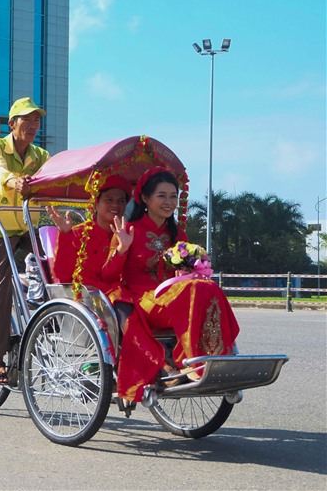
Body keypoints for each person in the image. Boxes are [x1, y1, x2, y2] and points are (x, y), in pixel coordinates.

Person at [102, 168, 240, 402]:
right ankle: (191, 361)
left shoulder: (177, 234)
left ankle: (215, 358)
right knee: (195, 291)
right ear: (145, 198)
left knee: (208, 287)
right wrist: (121, 249)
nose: (169, 202)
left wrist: (193, 268)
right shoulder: (128, 230)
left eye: (173, 196)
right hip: (142, 295)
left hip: (172, 290)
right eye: (162, 196)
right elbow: (108, 275)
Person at [0, 97, 51, 385]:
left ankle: (48, 323)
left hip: (26, 226)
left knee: (59, 267)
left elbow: (56, 175)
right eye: (26, 120)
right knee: (2, 284)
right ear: (12, 124)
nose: (32, 125)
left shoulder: (40, 155)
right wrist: (12, 180)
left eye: (36, 120)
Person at [47, 174, 132, 299]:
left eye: (121, 201)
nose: (116, 205)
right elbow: (62, 276)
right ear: (96, 204)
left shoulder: (130, 234)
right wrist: (65, 235)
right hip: (87, 298)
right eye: (109, 200)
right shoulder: (78, 232)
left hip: (120, 294)